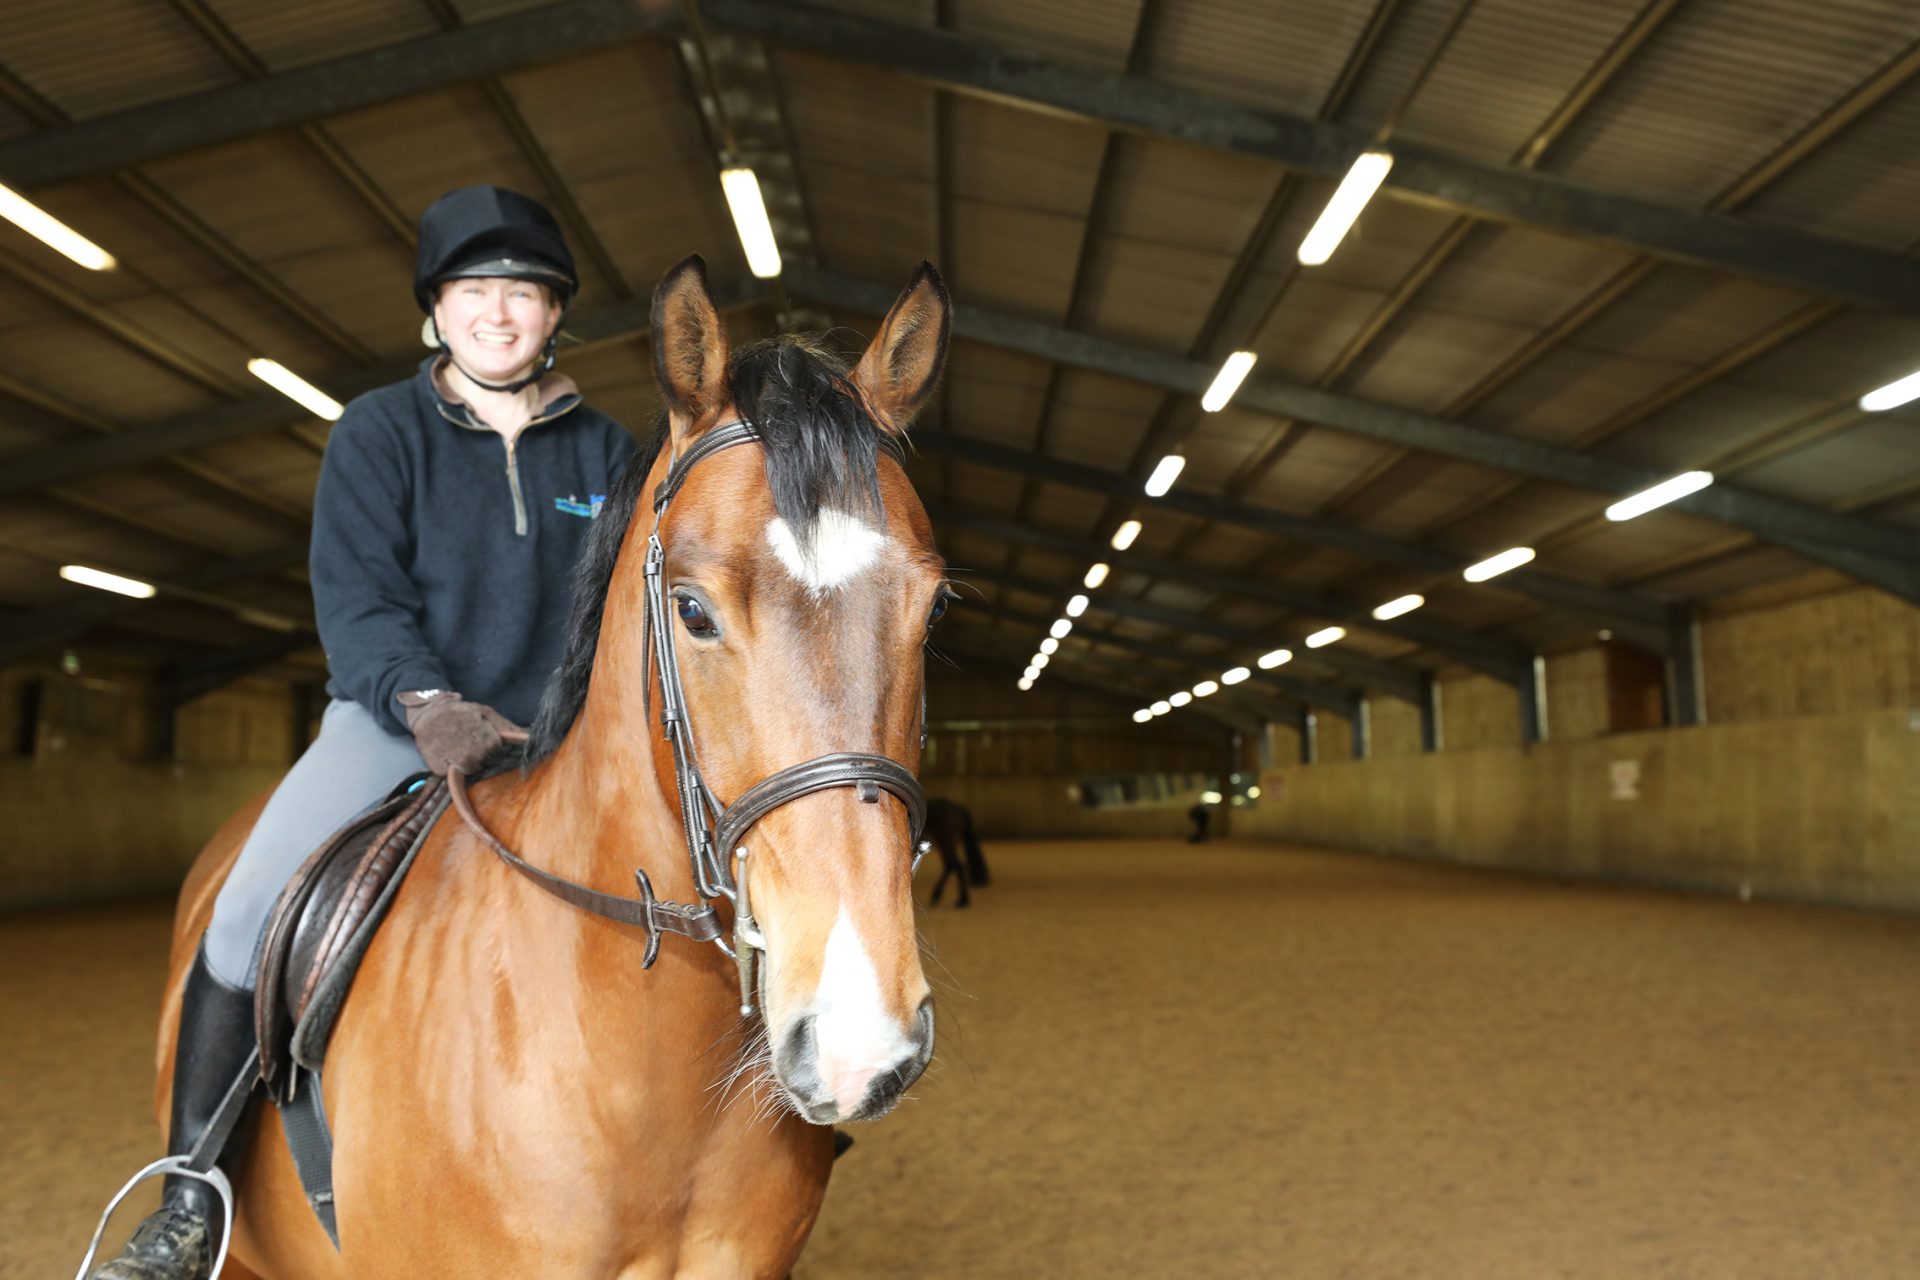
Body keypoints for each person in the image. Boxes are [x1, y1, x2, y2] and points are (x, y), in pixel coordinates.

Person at [88, 185, 634, 1280]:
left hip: (559, 741)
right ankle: (192, 1192)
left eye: (522, 292)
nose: (499, 311)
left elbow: (626, 609)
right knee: (243, 912)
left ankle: (779, 1112)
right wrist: (428, 703)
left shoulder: (608, 451)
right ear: (436, 311)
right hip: (396, 724)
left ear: (553, 314)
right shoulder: (380, 430)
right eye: (474, 290)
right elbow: (359, 600)